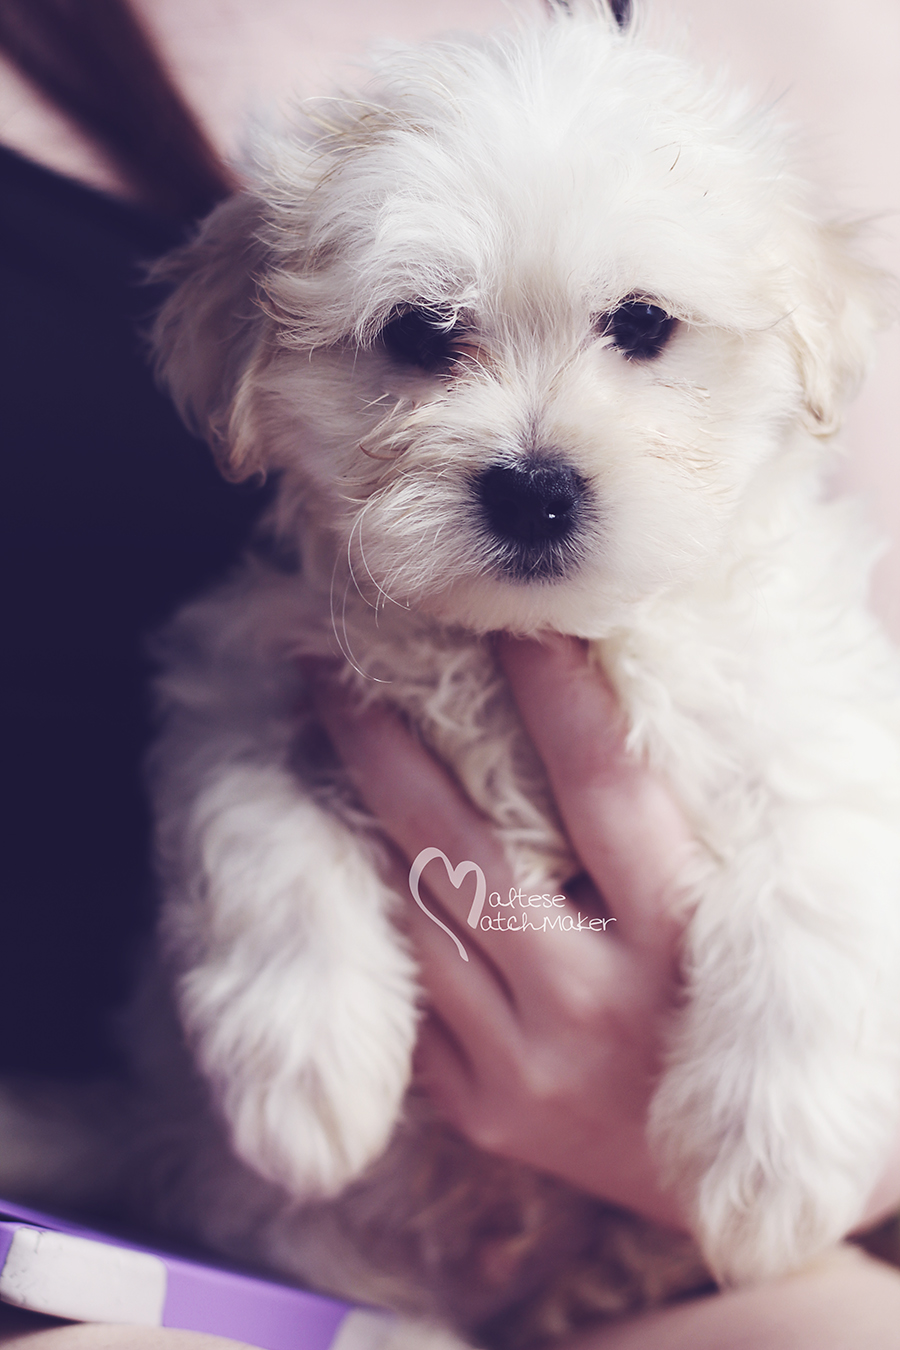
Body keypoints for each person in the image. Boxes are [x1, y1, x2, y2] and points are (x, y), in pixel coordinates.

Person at [1, 1, 899, 1346]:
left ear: (794, 343)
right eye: (424, 341)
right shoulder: (287, 641)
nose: (536, 453)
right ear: (260, 361)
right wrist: (283, 934)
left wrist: (810, 1088)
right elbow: (241, 748)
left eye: (642, 329)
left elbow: (840, 829)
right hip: (315, 1266)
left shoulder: (797, 628)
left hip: (677, 1259)